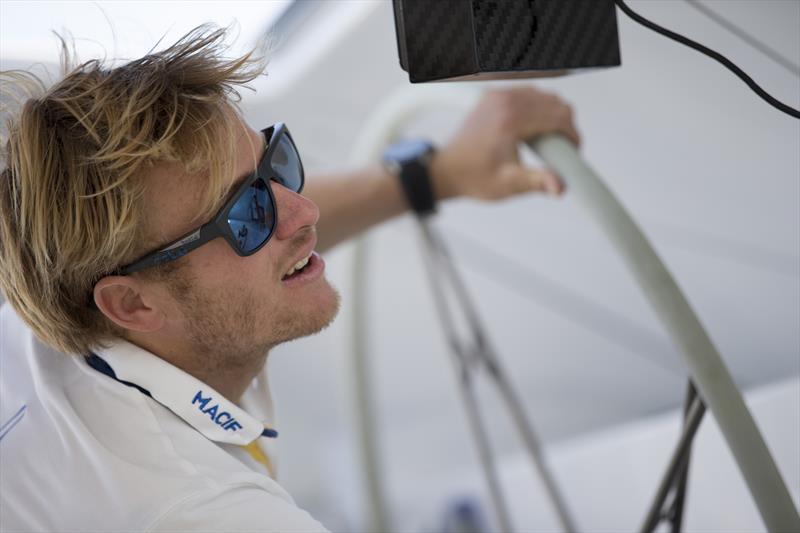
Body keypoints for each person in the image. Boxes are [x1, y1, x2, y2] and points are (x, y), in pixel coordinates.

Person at [0, 25, 579, 532]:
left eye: (275, 164)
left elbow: (215, 232)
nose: (305, 213)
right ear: (132, 303)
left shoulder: (49, 292)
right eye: (246, 216)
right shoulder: (197, 512)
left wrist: (434, 176)